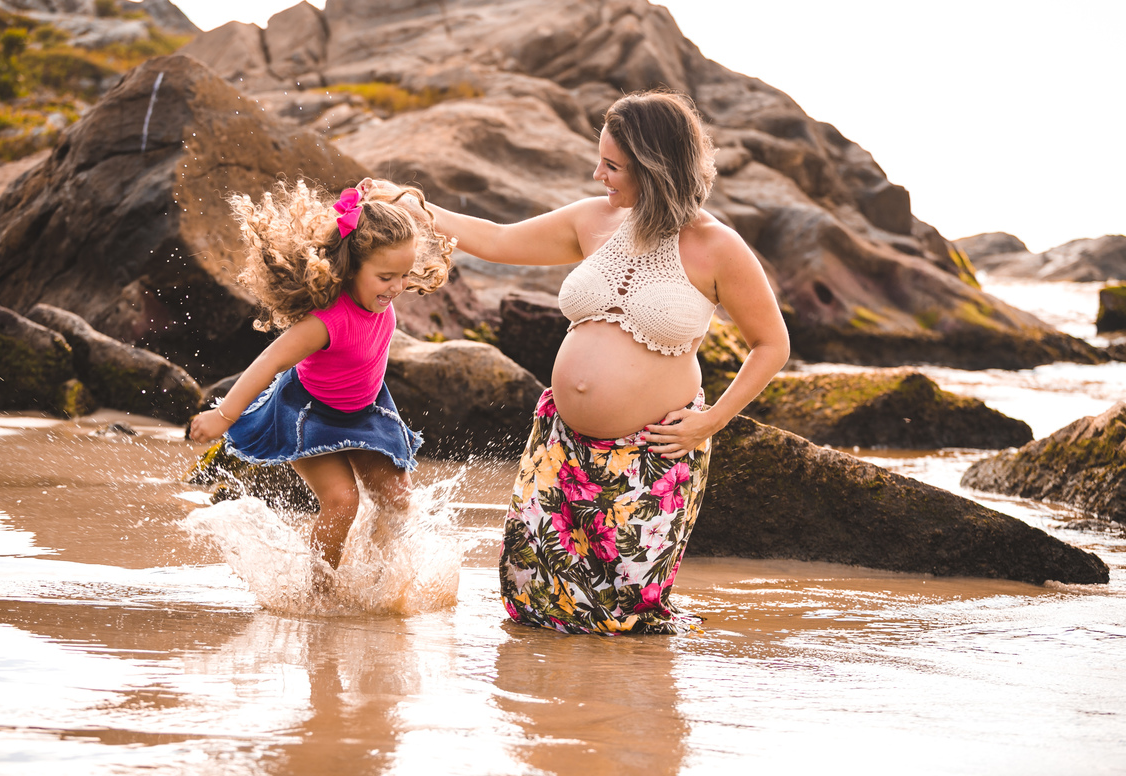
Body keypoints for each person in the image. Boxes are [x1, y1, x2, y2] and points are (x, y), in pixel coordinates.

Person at [395, 89, 790, 634]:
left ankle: (620, 713)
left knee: (624, 617)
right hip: (559, 447)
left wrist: (711, 420)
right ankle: (550, 715)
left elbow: (772, 345)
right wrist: (420, 210)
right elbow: (498, 239)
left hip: (650, 460)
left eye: (612, 165)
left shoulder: (717, 247)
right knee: (532, 596)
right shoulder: (592, 220)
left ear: (656, 168)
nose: (598, 174)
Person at [189, 179, 453, 572]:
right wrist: (222, 416)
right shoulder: (326, 322)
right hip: (309, 413)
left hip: (365, 411)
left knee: (397, 499)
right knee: (343, 502)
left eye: (403, 274)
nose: (397, 287)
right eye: (385, 277)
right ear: (351, 269)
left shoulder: (383, 302)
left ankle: (376, 580)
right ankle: (319, 593)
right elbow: (269, 362)